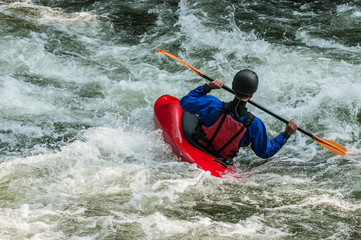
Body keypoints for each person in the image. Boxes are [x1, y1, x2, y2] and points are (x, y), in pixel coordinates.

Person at [179, 69, 299, 165]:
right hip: (220, 160)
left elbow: (185, 102)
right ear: (253, 93)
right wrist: (286, 134)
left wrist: (207, 87)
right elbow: (265, 152)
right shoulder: (255, 124)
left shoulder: (212, 104)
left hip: (197, 145)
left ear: (233, 88)